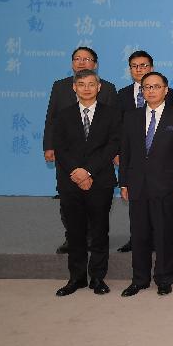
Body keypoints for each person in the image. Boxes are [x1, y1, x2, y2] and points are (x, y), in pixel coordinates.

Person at [118, 72, 173, 297]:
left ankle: (164, 279)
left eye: (156, 86)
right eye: (147, 87)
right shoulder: (131, 117)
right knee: (139, 234)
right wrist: (123, 182)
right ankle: (139, 279)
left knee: (164, 234)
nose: (151, 91)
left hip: (167, 185)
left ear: (166, 90)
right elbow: (125, 152)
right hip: (137, 185)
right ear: (142, 91)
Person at [53, 69, 121, 296]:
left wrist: (89, 171)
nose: (87, 88)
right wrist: (77, 172)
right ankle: (77, 278)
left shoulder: (112, 114)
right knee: (75, 232)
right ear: (74, 87)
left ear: (99, 87)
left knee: (100, 231)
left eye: (91, 84)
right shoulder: (63, 115)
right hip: (70, 180)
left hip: (100, 181)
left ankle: (98, 277)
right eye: (81, 84)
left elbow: (113, 145)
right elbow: (60, 147)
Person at [43, 46, 117, 255]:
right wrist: (49, 145)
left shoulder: (108, 88)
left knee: (97, 204)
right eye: (77, 59)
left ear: (95, 64)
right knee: (69, 201)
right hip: (68, 158)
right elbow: (51, 118)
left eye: (87, 59)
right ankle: (72, 237)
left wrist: (94, 166)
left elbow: (114, 128)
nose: (82, 62)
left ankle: (93, 237)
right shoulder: (60, 86)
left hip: (97, 159)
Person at [115, 50, 173, 254]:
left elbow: (171, 133)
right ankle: (137, 248)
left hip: (162, 170)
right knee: (138, 220)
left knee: (162, 222)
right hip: (136, 167)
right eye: (134, 66)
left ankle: (159, 252)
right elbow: (122, 134)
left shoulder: (169, 100)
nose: (139, 69)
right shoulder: (123, 97)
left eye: (143, 65)